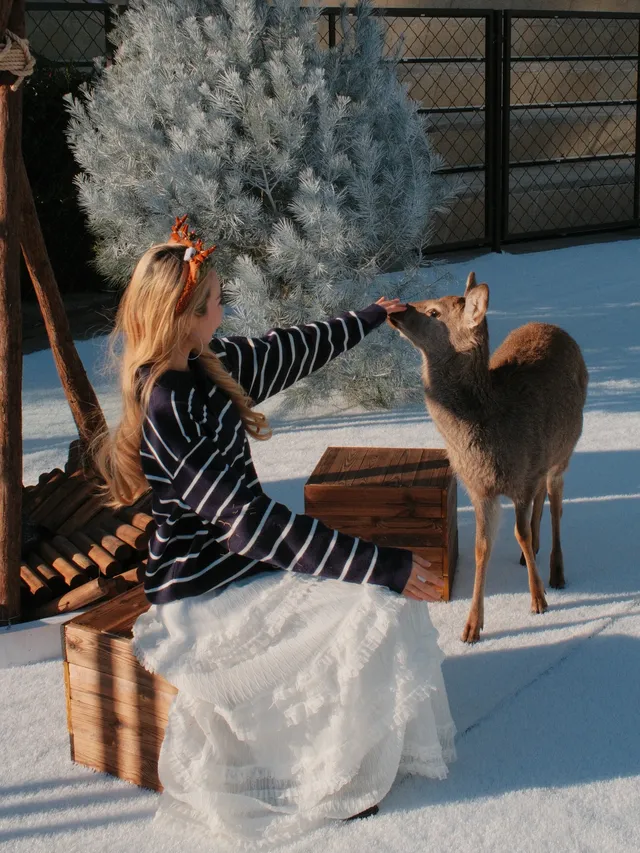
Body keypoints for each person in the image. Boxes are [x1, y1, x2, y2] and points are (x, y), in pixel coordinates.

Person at [95, 216, 456, 848]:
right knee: (367, 604)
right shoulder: (168, 405)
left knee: (375, 605)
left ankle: (345, 757)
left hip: (244, 568)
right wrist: (379, 563)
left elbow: (289, 348)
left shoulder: (208, 363)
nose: (224, 308)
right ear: (184, 317)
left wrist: (370, 316)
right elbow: (249, 524)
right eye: (215, 301)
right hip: (204, 593)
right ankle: (321, 774)